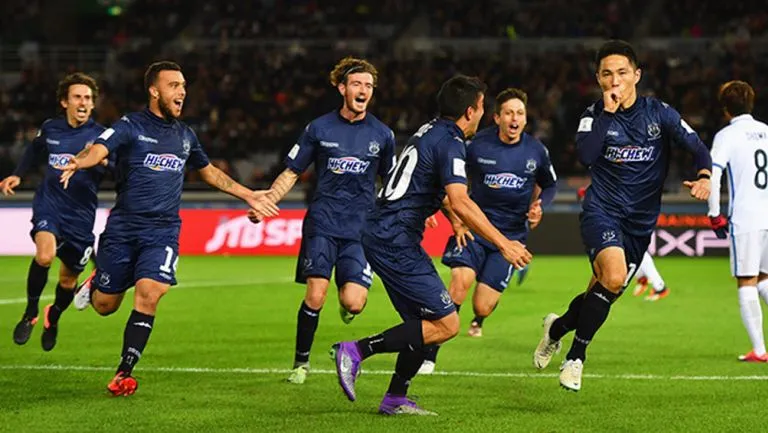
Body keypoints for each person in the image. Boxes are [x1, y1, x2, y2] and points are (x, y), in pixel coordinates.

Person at [60, 61, 278, 396]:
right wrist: (79, 160)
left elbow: (209, 172)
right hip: (123, 228)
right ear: (154, 90)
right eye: (174, 85)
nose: (182, 92)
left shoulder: (185, 135)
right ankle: (98, 279)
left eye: (184, 85)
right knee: (105, 306)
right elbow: (99, 148)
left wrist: (249, 194)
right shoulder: (131, 125)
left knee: (151, 292)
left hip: (162, 231)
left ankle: (123, 371)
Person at [329, 75, 532, 415]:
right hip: (394, 238)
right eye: (482, 107)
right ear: (471, 110)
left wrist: (452, 219)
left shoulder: (430, 130)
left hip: (386, 232)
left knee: (423, 325)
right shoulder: (450, 142)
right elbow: (461, 199)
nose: (483, 114)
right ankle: (356, 351)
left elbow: (434, 188)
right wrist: (503, 243)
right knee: (447, 323)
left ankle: (395, 398)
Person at [532, 40, 712, 392]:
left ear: (637, 75)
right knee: (612, 277)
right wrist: (609, 113)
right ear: (598, 78)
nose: (614, 80)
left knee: (600, 293)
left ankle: (555, 329)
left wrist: (704, 176)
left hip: (640, 224)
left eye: (622, 73)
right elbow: (585, 154)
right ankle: (575, 358)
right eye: (607, 74)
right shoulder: (592, 115)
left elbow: (698, 147)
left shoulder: (659, 113)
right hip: (602, 211)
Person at [249, 57, 396, 384]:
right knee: (315, 294)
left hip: (360, 229)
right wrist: (267, 200)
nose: (363, 91)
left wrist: (405, 213)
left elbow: (391, 181)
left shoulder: (383, 135)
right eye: (357, 84)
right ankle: (301, 363)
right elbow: (292, 171)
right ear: (342, 88)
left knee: (354, 302)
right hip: (323, 223)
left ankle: (349, 306)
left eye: (369, 86)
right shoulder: (319, 128)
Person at [419, 88, 556, 375]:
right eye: (508, 113)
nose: (514, 118)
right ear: (497, 118)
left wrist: (541, 204)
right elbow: (445, 173)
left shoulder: (536, 151)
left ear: (525, 118)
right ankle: (428, 355)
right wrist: (439, 208)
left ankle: (479, 319)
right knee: (458, 283)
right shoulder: (476, 145)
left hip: (510, 237)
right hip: (474, 229)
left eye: (520, 113)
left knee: (482, 304)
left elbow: (550, 184)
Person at [0, 72, 107, 351]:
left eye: (88, 98)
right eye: (77, 97)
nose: (83, 102)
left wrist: (102, 160)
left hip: (81, 214)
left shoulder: (102, 136)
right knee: (45, 255)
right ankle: (31, 312)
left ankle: (54, 316)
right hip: (50, 203)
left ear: (93, 104)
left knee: (67, 280)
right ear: (64, 102)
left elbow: (115, 166)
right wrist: (18, 175)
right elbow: (33, 152)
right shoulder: (51, 129)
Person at [707, 80, 768, 362]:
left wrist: (713, 212)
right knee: (765, 279)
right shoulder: (766, 131)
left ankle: (758, 349)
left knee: (746, 280)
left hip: (746, 217)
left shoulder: (727, 136)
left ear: (725, 109)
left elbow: (714, 174)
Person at [577, 187, 670, 301]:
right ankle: (643, 278)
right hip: (625, 220)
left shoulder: (604, 195)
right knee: (626, 253)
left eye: (583, 197)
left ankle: (659, 286)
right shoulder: (601, 197)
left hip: (633, 219)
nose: (583, 200)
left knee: (638, 252)